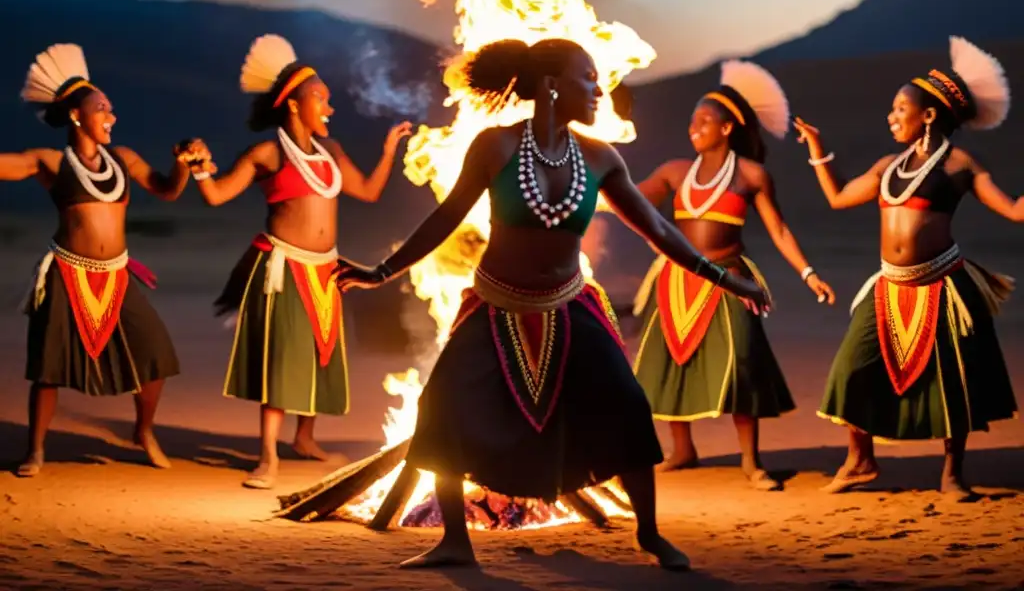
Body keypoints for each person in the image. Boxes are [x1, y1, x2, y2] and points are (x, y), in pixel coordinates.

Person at [334, 37, 770, 571]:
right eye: (588, 77)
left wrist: (726, 279)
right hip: (496, 306)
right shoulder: (493, 146)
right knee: (441, 409)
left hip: (570, 306)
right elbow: (445, 218)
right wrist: (381, 272)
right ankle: (454, 541)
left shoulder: (598, 157)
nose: (598, 89)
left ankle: (650, 534)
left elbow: (657, 228)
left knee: (627, 406)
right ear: (551, 86)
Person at [795, 36, 1019, 499]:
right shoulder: (886, 166)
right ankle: (860, 460)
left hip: (944, 284)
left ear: (929, 115)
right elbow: (837, 197)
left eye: (900, 109)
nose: (892, 117)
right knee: (850, 369)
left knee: (951, 380)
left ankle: (953, 474)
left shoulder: (959, 165)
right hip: (889, 286)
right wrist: (817, 148)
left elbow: (1014, 211)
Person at [182, 34, 411, 489]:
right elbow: (216, 194)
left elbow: (367, 191)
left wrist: (388, 152)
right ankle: (267, 457)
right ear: (293, 105)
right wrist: (200, 165)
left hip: (327, 268)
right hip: (284, 271)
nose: (329, 108)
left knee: (319, 354)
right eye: (321, 100)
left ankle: (304, 439)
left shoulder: (333, 153)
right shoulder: (267, 154)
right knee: (284, 362)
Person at [629, 60, 836, 490]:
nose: (694, 127)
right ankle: (682, 451)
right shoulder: (674, 171)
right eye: (692, 121)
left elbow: (778, 229)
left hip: (730, 279)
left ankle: (751, 462)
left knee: (742, 363)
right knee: (665, 365)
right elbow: (625, 198)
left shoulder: (751, 176)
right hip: (674, 281)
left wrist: (808, 273)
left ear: (726, 129)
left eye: (704, 121)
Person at [1, 43, 189, 477]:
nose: (111, 117)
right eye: (102, 109)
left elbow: (166, 189)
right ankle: (35, 450)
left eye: (111, 109)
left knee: (156, 354)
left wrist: (182, 166)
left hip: (117, 275)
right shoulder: (50, 162)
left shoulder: (123, 159)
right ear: (76, 116)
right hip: (67, 273)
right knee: (47, 369)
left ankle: (143, 432)